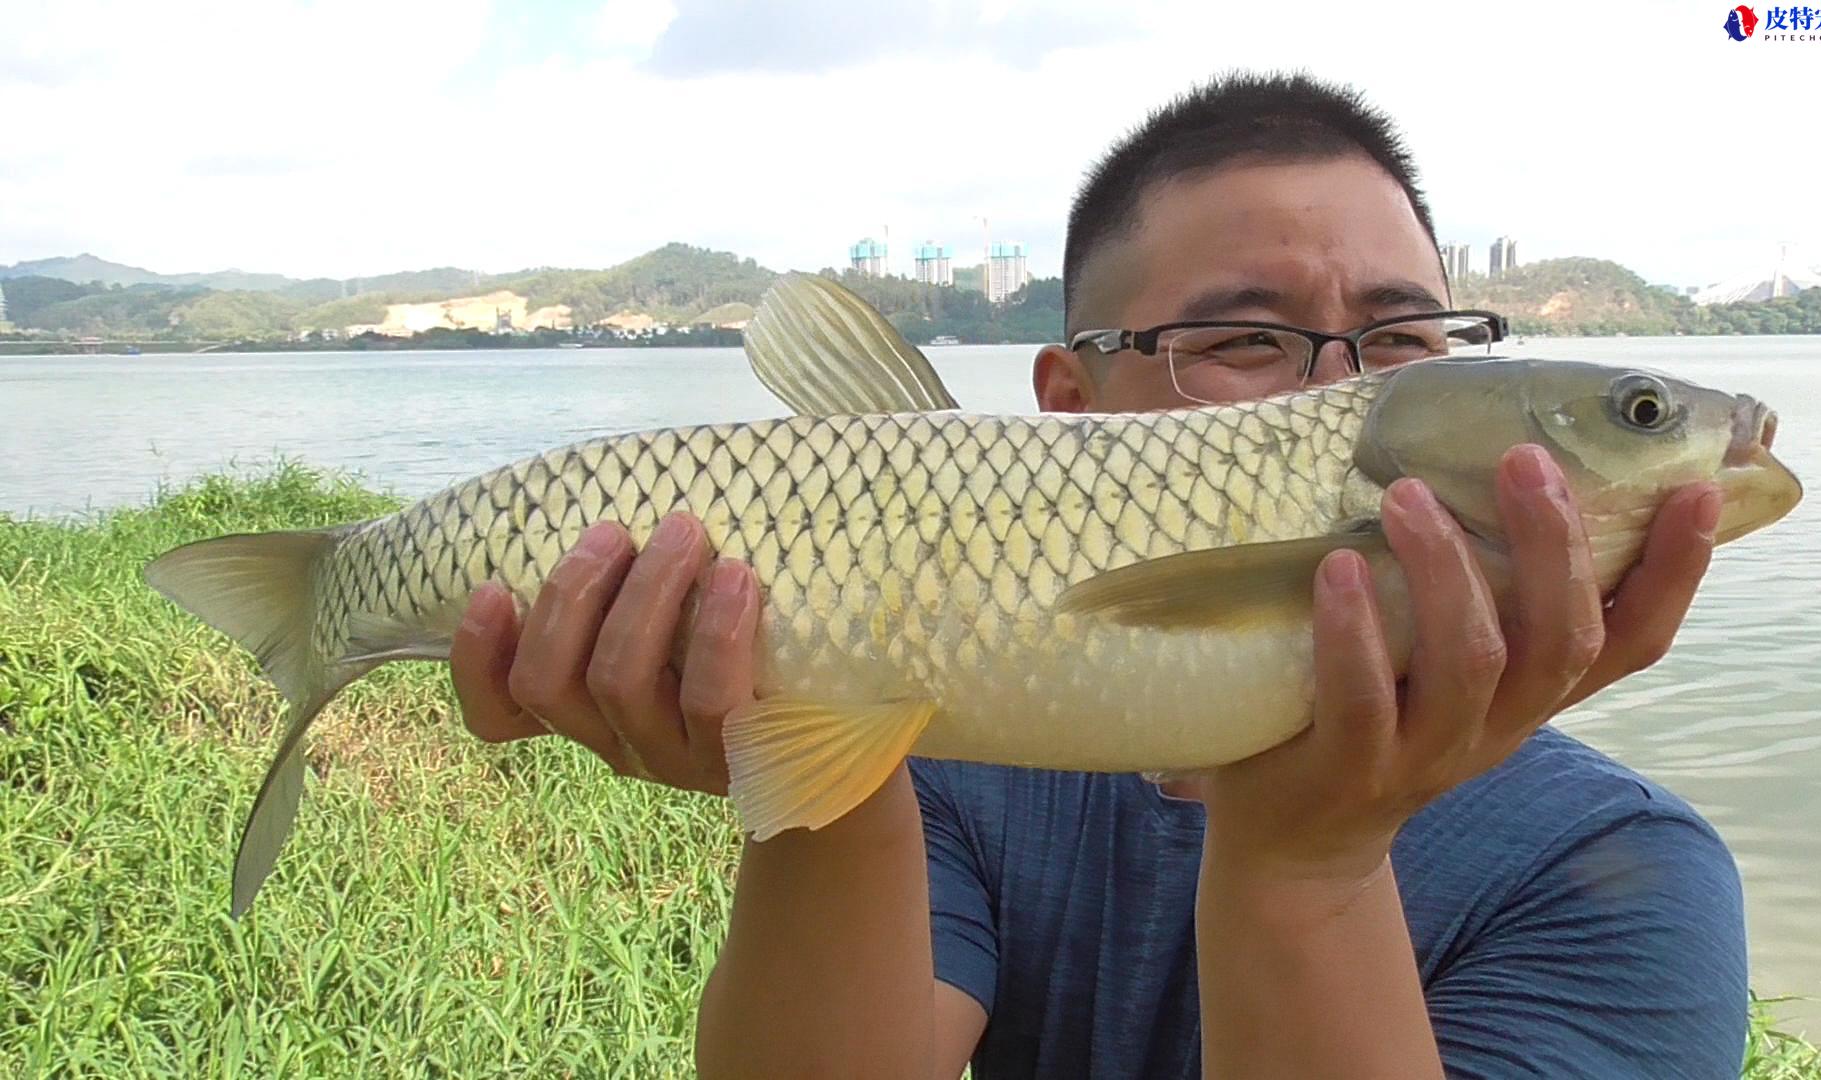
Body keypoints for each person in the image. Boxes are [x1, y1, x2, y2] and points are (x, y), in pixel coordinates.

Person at [448, 72, 1748, 1079]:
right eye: (1243, 337)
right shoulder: (961, 748)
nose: (1345, 392)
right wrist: (817, 774)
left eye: (1406, 337)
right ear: (1063, 409)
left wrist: (1314, 864)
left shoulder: (1616, 868)